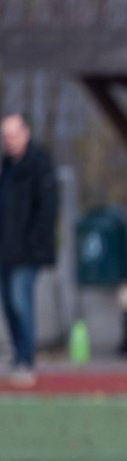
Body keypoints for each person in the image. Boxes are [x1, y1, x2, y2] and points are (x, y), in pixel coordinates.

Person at [0, 113, 58, 388]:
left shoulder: (40, 165)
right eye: (5, 136)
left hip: (27, 252)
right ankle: (17, 357)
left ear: (26, 132)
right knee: (9, 306)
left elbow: (47, 211)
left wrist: (34, 245)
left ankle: (27, 360)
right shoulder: (7, 168)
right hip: (5, 250)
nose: (8, 141)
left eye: (12, 135)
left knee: (21, 302)